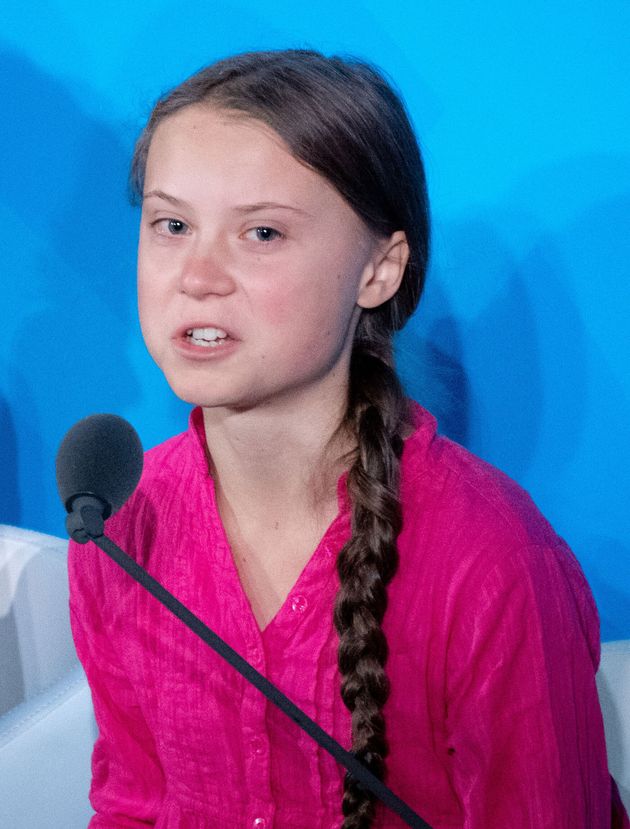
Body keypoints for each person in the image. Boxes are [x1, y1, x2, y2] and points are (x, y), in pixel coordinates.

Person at [67, 49, 628, 829]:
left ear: (379, 269)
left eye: (261, 232)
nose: (196, 275)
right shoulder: (120, 524)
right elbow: (133, 804)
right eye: (171, 224)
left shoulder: (494, 562)